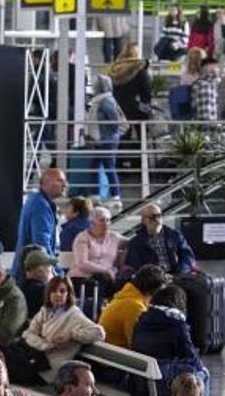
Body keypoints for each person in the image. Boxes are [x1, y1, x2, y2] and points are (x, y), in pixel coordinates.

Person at [131, 285, 211, 396]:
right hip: (161, 383)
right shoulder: (176, 323)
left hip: (139, 382)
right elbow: (190, 356)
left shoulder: (142, 319)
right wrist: (201, 368)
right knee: (202, 374)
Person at [22, 274, 106, 373]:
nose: (58, 294)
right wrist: (44, 344)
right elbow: (28, 333)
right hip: (34, 358)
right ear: (49, 294)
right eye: (54, 291)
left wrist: (72, 335)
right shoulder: (45, 310)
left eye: (62, 291)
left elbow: (99, 333)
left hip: (48, 368)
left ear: (68, 294)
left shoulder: (74, 314)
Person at [12, 168, 68, 280]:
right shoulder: (40, 206)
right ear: (46, 183)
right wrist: (58, 273)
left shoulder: (38, 202)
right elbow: (41, 244)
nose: (65, 185)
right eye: (60, 180)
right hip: (34, 276)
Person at [100, 264, 167, 347]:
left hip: (109, 352)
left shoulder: (127, 297)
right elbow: (137, 343)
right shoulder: (134, 307)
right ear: (154, 290)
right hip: (118, 356)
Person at [124, 204, 194, 276]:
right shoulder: (136, 242)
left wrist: (181, 272)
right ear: (143, 220)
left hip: (176, 275)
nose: (157, 220)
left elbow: (187, 257)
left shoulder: (174, 236)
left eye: (159, 216)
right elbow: (135, 267)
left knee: (203, 282)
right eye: (152, 217)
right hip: (153, 280)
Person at [86, 74, 124, 204]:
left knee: (108, 166)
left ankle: (115, 195)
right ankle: (99, 194)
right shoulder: (100, 101)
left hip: (107, 141)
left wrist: (108, 135)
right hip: (101, 140)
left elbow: (114, 122)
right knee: (96, 165)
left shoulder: (106, 101)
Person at [70, 206, 125, 286]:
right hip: (82, 278)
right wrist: (106, 270)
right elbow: (82, 264)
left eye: (108, 220)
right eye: (102, 220)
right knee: (102, 279)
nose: (106, 223)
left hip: (107, 279)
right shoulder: (82, 237)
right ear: (92, 223)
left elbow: (133, 243)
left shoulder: (114, 237)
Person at [191, 56, 220, 122]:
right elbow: (205, 117)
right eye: (217, 67)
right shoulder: (204, 85)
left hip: (210, 127)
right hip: (206, 130)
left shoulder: (210, 84)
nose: (219, 70)